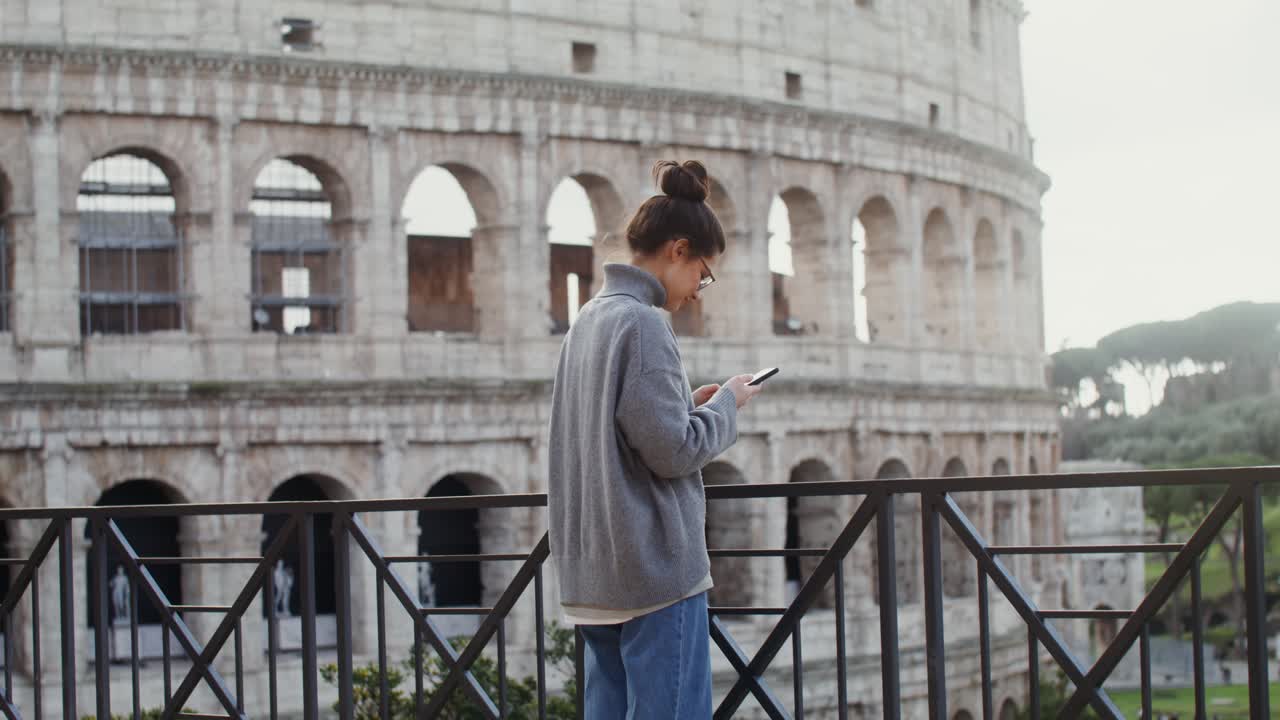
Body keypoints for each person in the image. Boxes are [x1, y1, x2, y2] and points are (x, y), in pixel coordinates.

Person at [548, 159, 763, 718]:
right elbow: (674, 452)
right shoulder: (644, 323)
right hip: (652, 576)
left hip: (593, 575)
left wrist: (686, 407)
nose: (698, 290)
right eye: (703, 274)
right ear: (679, 250)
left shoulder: (589, 319)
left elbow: (616, 428)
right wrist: (726, 405)